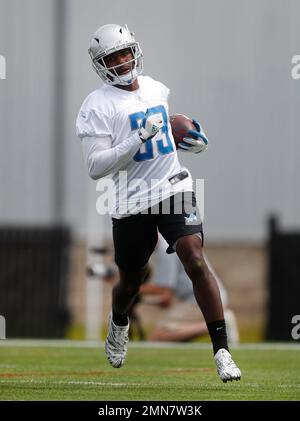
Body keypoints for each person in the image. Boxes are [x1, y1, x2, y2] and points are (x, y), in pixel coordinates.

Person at [76, 23, 241, 382]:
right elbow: (95, 166)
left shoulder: (155, 88)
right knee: (130, 281)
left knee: (194, 257)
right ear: (101, 64)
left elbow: (163, 131)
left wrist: (185, 140)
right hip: (131, 201)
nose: (122, 61)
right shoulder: (96, 105)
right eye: (112, 57)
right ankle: (119, 321)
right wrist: (137, 137)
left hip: (172, 188)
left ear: (135, 51)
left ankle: (222, 351)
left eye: (124, 53)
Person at [140, 236, 240, 343]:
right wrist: (143, 300)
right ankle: (218, 324)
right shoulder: (174, 240)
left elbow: (164, 290)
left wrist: (132, 289)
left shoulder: (166, 249)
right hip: (209, 296)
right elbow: (166, 300)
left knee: (158, 338)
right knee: (174, 336)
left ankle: (219, 325)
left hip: (200, 300)